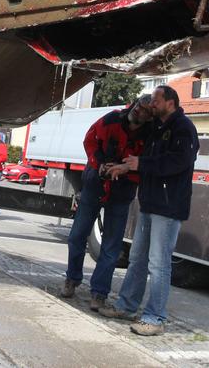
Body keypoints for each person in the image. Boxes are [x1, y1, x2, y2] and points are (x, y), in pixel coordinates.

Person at [100, 84, 199, 336]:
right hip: (150, 202)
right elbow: (137, 145)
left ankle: (155, 318)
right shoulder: (156, 127)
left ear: (170, 103)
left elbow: (179, 161)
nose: (152, 105)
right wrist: (127, 166)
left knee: (159, 263)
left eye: (156, 101)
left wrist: (140, 163)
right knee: (137, 258)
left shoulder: (183, 128)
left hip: (168, 206)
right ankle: (126, 306)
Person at [61, 95, 153, 311]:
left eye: (145, 111)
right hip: (95, 184)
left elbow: (147, 165)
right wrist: (99, 165)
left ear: (150, 118)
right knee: (77, 236)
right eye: (138, 106)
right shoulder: (111, 119)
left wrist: (127, 169)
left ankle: (99, 293)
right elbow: (90, 140)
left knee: (111, 246)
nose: (138, 111)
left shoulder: (149, 136)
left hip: (122, 190)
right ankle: (72, 279)